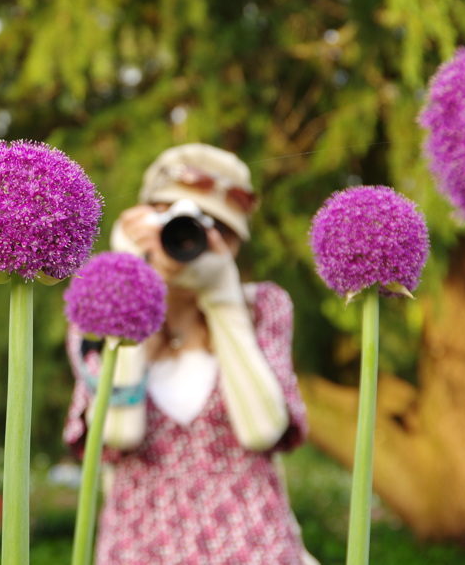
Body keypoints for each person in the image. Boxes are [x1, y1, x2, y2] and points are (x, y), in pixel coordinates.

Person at [62, 143, 315, 565]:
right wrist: (127, 282)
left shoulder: (262, 309)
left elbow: (261, 430)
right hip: (137, 549)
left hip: (255, 548)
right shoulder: (94, 315)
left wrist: (223, 300)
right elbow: (121, 433)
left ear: (233, 245)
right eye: (173, 219)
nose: (189, 237)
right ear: (142, 220)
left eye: (215, 227)